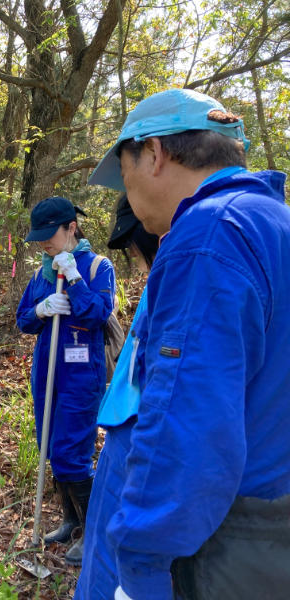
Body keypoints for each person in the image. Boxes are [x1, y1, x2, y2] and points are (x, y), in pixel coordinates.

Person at [88, 88, 290, 600]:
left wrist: (140, 564)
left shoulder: (207, 234)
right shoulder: (272, 223)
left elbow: (187, 420)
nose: (129, 195)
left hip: (222, 538)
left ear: (153, 154)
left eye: (125, 176)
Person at [16, 196, 115, 565]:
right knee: (50, 447)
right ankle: (70, 520)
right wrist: (41, 310)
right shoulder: (41, 273)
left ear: (71, 227)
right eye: (38, 235)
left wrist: (72, 277)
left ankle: (91, 532)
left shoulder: (97, 267)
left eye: (49, 234)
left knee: (72, 451)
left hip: (79, 374)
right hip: (45, 372)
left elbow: (97, 314)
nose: (43, 242)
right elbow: (23, 319)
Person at [75, 196, 160, 600]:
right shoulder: (163, 278)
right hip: (123, 425)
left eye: (132, 245)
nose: (132, 256)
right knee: (103, 549)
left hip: (142, 437)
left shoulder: (188, 271)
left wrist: (75, 282)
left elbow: (98, 314)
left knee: (117, 553)